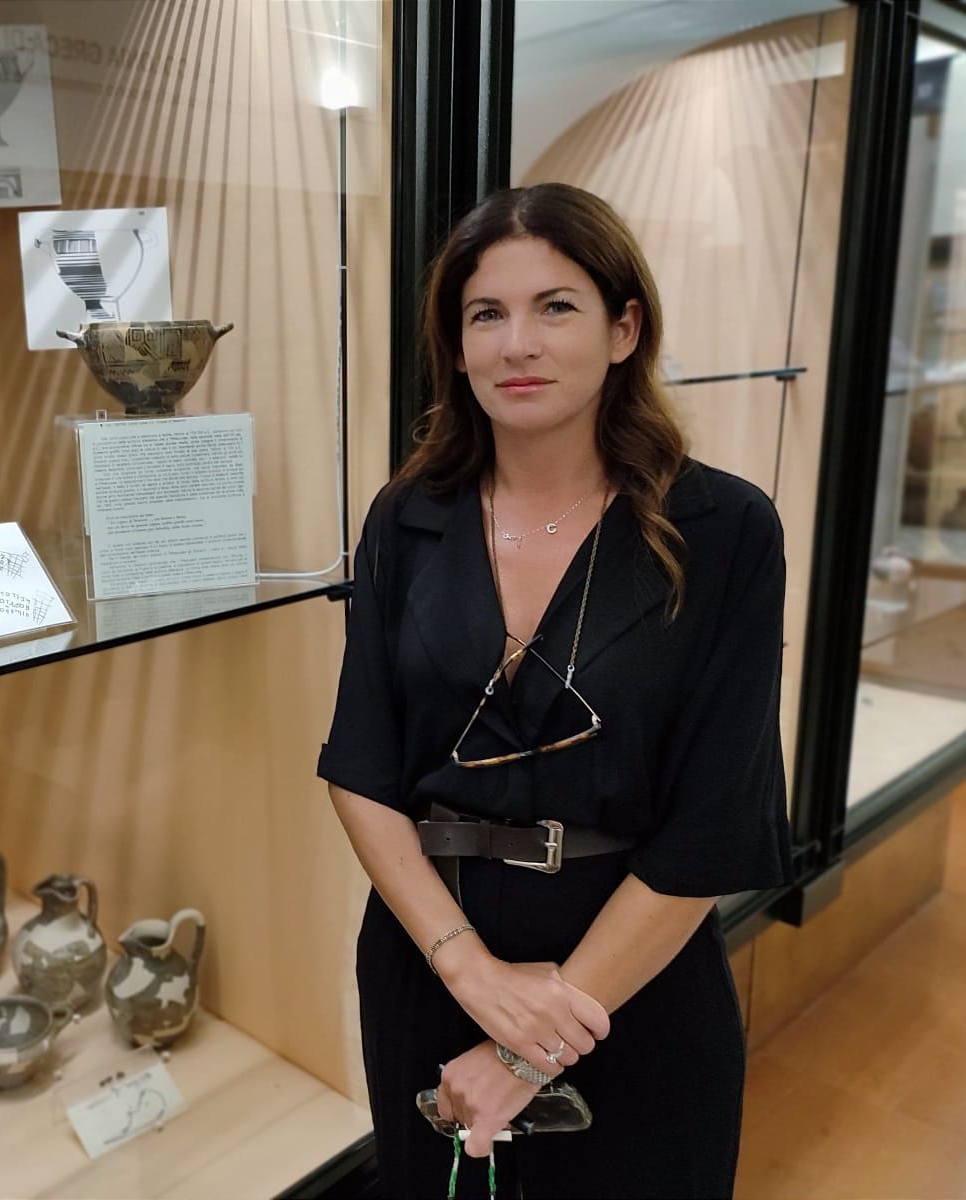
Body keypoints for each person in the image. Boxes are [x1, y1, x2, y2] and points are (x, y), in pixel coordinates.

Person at [317, 183, 796, 1199]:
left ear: (624, 329)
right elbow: (361, 767)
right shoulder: (407, 517)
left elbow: (715, 822)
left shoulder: (723, 532)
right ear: (455, 348)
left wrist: (532, 1041)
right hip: (430, 958)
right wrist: (467, 969)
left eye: (556, 307)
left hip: (629, 979)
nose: (517, 344)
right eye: (486, 314)